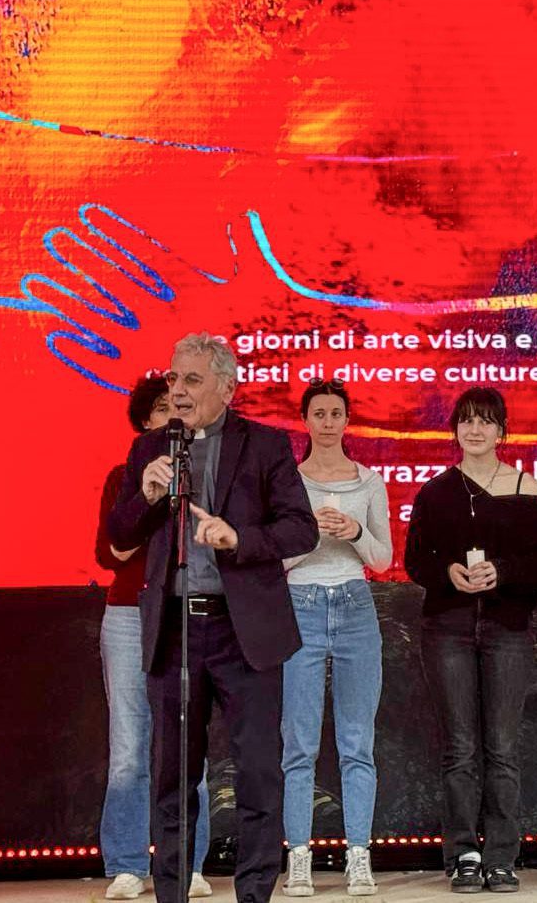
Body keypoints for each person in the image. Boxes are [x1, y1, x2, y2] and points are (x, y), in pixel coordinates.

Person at [107, 333, 319, 903]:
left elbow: (301, 528)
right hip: (173, 631)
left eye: (192, 380)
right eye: (173, 379)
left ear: (227, 388)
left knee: (257, 772)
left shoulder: (265, 445)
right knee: (172, 775)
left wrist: (239, 538)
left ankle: (254, 895)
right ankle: (172, 894)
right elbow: (119, 536)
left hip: (244, 631)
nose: (178, 391)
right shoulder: (148, 450)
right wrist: (148, 497)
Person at [404, 387, 537, 894]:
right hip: (446, 629)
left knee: (503, 747)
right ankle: (463, 853)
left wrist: (503, 572)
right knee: (460, 748)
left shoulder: (526, 487)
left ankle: (502, 856)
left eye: (485, 421)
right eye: (466, 420)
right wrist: (447, 572)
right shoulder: (434, 491)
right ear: (454, 429)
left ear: (501, 431)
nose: (475, 430)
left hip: (507, 630)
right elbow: (415, 560)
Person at [96, 374, 213, 901]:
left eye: (180, 407)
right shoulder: (123, 475)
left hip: (184, 613)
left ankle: (188, 862)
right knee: (129, 746)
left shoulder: (207, 474)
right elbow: (111, 553)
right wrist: (149, 496)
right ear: (145, 421)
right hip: (127, 614)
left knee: (189, 744)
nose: (173, 416)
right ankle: (126, 863)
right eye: (163, 408)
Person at [282, 380, 393, 898]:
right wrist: (312, 536)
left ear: (348, 421)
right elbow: (275, 559)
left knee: (357, 742)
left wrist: (354, 532)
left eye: (336, 413)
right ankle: (298, 858)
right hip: (300, 605)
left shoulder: (369, 481)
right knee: (298, 743)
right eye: (319, 413)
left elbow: (383, 560)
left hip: (354, 604)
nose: (327, 422)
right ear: (305, 420)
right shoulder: (288, 483)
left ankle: (359, 856)